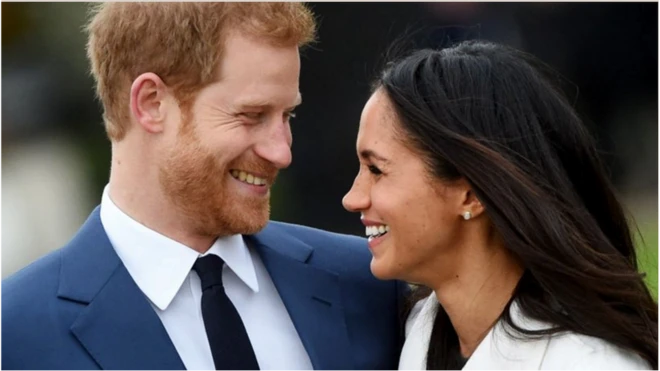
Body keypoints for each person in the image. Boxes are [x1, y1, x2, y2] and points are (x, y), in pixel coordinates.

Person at [0, 3, 406, 371]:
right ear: (151, 103)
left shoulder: (367, 284)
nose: (281, 152)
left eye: (288, 116)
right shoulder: (16, 332)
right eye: (252, 115)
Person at [343, 40, 658, 371]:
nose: (353, 198)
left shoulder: (591, 363)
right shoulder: (417, 333)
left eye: (377, 170)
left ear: (470, 195)